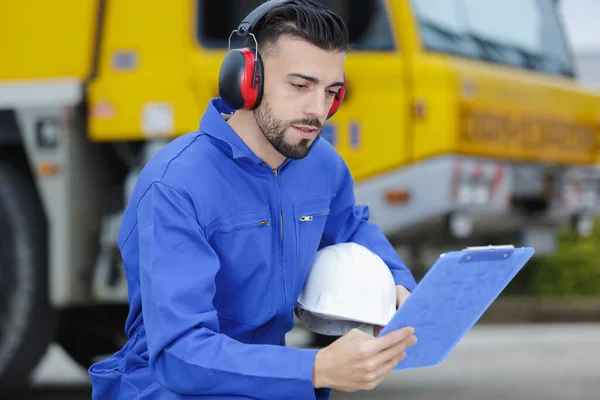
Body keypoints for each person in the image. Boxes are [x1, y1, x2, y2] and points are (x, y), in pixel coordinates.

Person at [88, 1, 418, 399]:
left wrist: (399, 285)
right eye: (300, 85)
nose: (318, 110)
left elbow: (351, 227)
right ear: (247, 79)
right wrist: (315, 368)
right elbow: (179, 352)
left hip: (275, 383)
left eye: (332, 92)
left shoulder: (322, 165)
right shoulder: (175, 184)